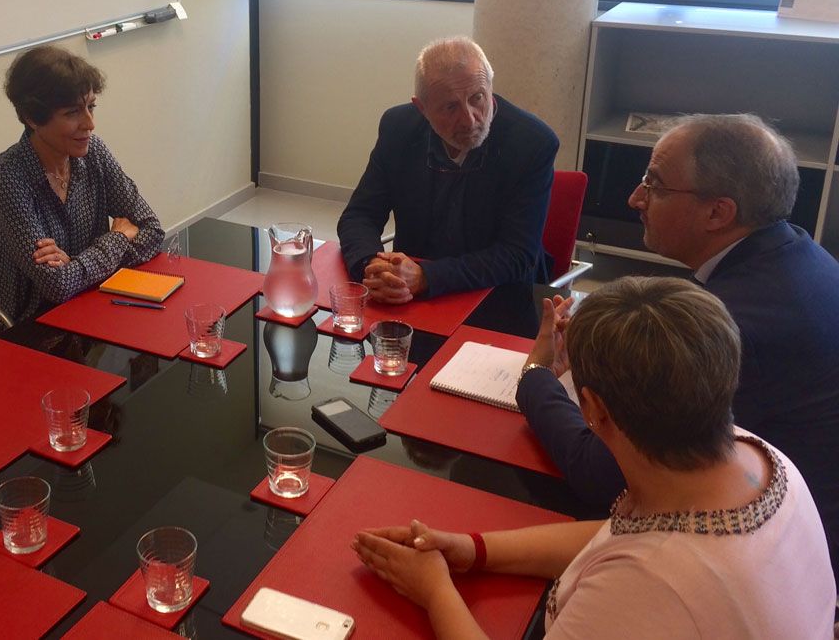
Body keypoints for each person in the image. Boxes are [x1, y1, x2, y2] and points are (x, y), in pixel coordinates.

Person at [353, 277, 835, 639]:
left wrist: (436, 592)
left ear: (594, 410)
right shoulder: (759, 456)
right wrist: (474, 549)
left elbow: (648, 554)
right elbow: (624, 530)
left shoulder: (647, 583)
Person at [520, 113, 839, 590]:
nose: (635, 198)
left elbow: (602, 476)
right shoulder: (800, 254)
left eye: (656, 183)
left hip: (772, 569)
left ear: (718, 213)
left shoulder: (731, 325)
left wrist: (536, 377)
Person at [336, 36, 558, 305]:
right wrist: (372, 266)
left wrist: (426, 277)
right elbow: (360, 214)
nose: (469, 119)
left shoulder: (532, 143)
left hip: (497, 296)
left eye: (477, 98)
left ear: (490, 87)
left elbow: (516, 255)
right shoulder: (399, 128)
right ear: (422, 108)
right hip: (408, 296)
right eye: (450, 107)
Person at [0, 45, 164, 342]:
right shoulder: (9, 177)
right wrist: (117, 238)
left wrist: (76, 266)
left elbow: (152, 229)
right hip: (21, 329)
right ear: (33, 118)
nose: (90, 123)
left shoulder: (93, 153)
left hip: (86, 308)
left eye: (91, 106)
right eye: (73, 112)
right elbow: (57, 286)